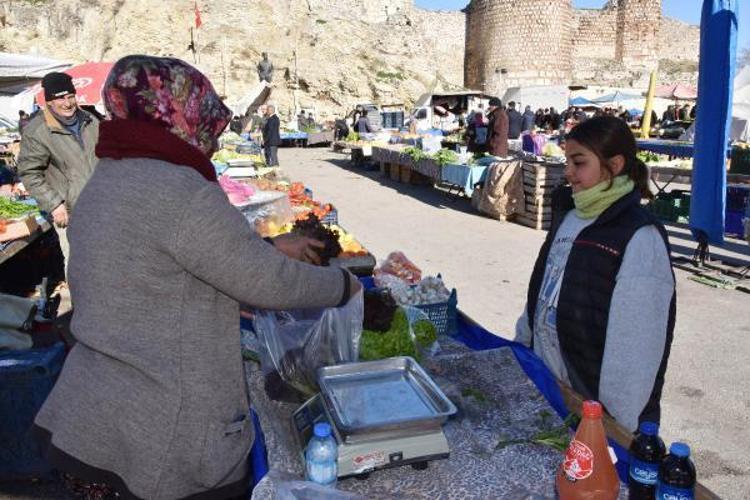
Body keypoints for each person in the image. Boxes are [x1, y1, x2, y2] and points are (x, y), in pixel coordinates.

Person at [32, 54, 362, 500]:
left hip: (94, 416)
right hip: (161, 435)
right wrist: (344, 286)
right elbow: (266, 283)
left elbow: (168, 260)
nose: (212, 141)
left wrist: (266, 247)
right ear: (181, 116)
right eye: (208, 126)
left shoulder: (108, 177)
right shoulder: (180, 188)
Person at [515, 115, 675, 432]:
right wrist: (522, 347)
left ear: (614, 165)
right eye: (567, 162)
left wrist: (610, 427)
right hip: (550, 391)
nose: (568, 172)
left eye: (579, 163)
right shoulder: (570, 216)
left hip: (594, 412)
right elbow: (543, 289)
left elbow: (635, 350)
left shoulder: (640, 237)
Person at [16, 71, 100, 273]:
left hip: (102, 204)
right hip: (71, 211)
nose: (67, 103)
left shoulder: (90, 120)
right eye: (61, 98)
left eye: (71, 96)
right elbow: (29, 173)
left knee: (107, 259)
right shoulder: (38, 131)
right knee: (79, 266)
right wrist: (54, 204)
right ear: (49, 102)